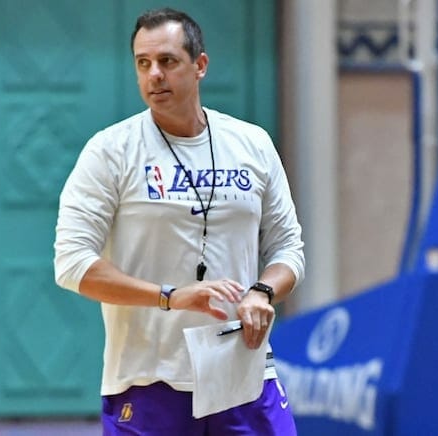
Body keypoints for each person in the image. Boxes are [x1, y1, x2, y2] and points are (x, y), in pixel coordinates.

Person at [54, 7, 304, 435]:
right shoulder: (110, 151)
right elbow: (73, 264)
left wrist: (262, 292)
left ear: (200, 65)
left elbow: (288, 248)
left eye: (167, 61)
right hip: (149, 379)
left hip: (242, 373)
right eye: (143, 63)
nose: (154, 75)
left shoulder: (252, 144)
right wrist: (169, 296)